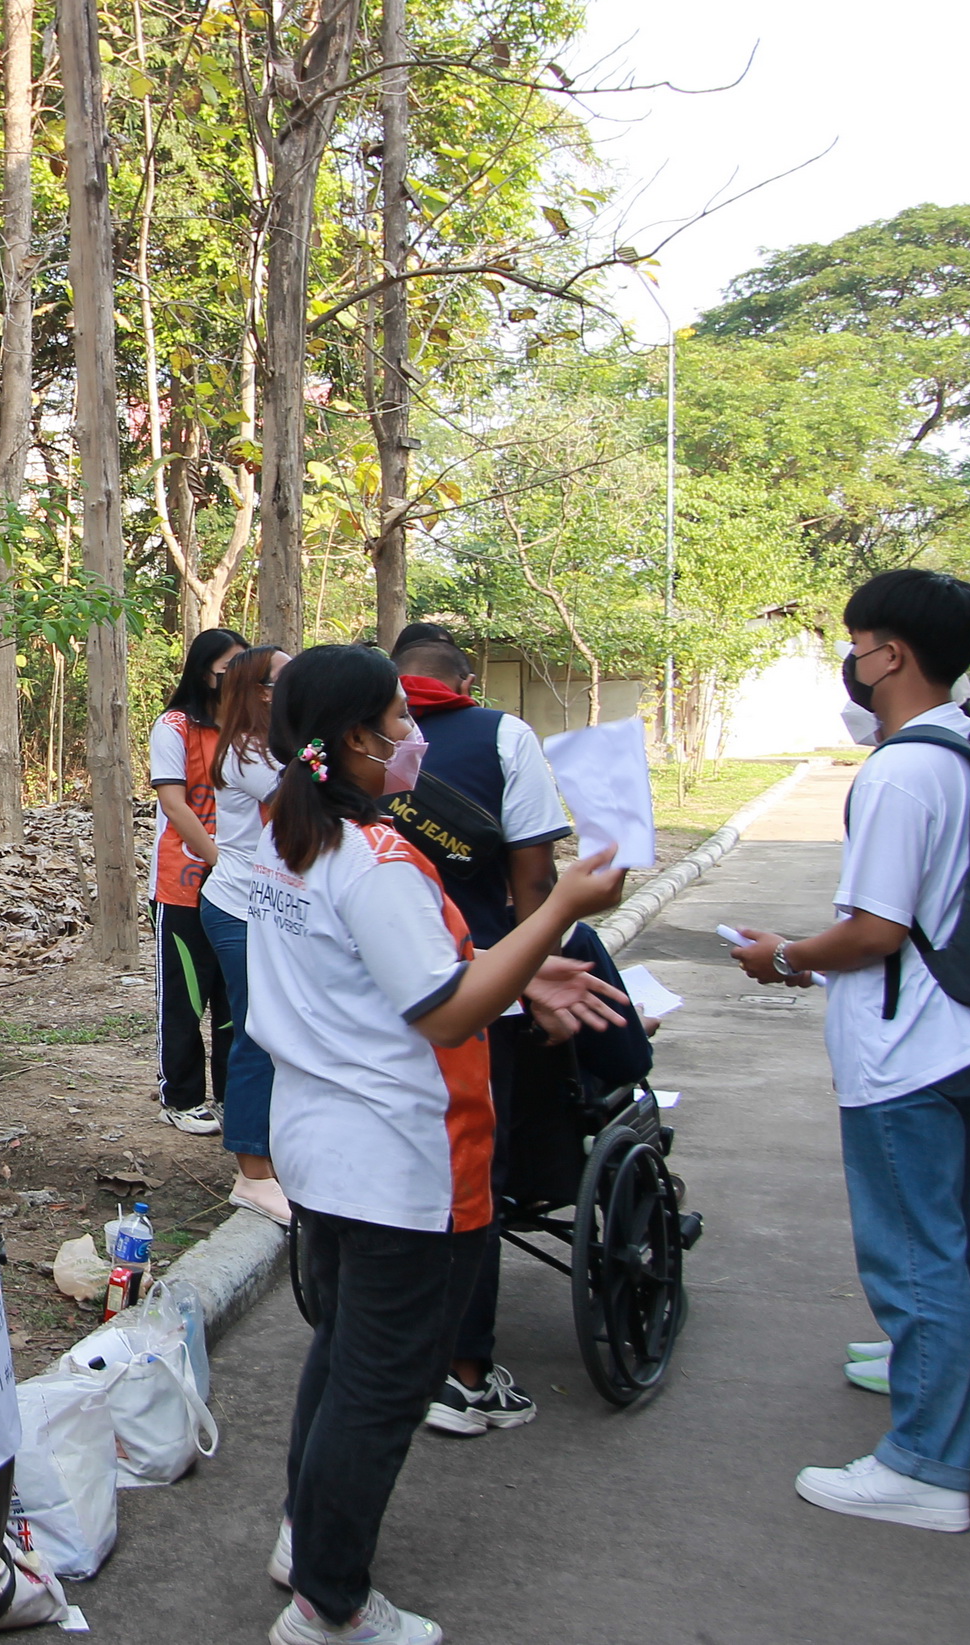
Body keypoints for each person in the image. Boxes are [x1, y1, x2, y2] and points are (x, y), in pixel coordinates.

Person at [245, 643, 628, 1645]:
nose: (414, 737)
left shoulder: (285, 833)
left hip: (321, 1145)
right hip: (397, 1159)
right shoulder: (375, 860)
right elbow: (447, 1010)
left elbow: (394, 967)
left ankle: (307, 1539)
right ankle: (330, 1605)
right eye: (399, 722)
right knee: (382, 1387)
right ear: (356, 741)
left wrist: (522, 970)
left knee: (342, 1356)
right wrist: (558, 912)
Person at [733, 568, 970, 1532]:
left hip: (904, 1051)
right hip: (965, 1029)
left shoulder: (898, 770)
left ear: (889, 654)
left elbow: (876, 930)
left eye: (853, 646)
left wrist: (784, 956)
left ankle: (923, 1466)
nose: (848, 665)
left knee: (915, 1256)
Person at [385, 630, 585, 1438]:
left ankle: (384, 1345)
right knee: (471, 1180)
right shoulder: (502, 735)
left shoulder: (332, 746)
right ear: (465, 682)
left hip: (373, 996)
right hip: (477, 987)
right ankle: (462, 1371)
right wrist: (539, 963)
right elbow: (533, 873)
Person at [198, 643, 292, 1224]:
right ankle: (252, 1175)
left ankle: (277, 1153)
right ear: (260, 691)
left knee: (282, 1029)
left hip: (273, 907)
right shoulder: (245, 752)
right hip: (238, 908)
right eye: (286, 677)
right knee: (258, 1030)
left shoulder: (281, 746)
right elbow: (297, 803)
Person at [149, 626, 251, 1133]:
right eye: (228, 669)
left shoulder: (250, 729)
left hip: (242, 889)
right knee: (186, 995)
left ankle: (235, 1096)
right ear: (204, 671)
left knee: (236, 999)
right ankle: (181, 1098)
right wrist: (219, 859)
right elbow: (174, 803)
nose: (236, 679)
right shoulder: (175, 727)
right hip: (184, 883)